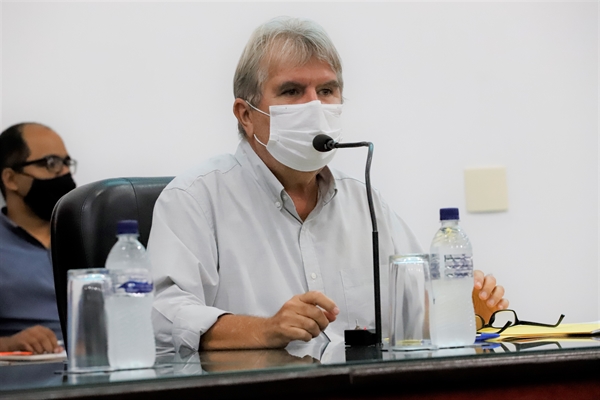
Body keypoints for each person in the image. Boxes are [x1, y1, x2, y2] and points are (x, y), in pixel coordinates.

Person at [148, 16, 509, 355]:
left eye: (326, 90)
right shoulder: (194, 199)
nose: (314, 107)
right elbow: (162, 318)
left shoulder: (365, 202)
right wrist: (265, 330)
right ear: (246, 115)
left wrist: (462, 309)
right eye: (291, 91)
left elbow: (412, 314)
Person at [0, 122, 77, 354]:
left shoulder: (84, 233)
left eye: (66, 163)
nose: (64, 174)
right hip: (23, 377)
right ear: (11, 179)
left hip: (98, 365)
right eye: (51, 163)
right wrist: (8, 344)